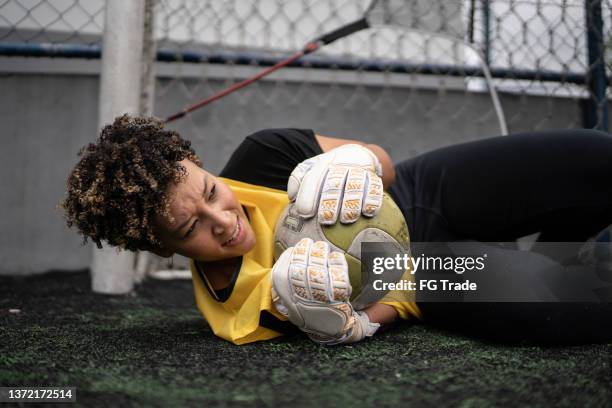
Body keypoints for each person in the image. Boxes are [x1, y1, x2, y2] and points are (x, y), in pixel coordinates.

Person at [61, 114, 612, 346]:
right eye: (191, 229)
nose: (224, 221)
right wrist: (362, 324)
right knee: (571, 298)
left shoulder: (264, 153)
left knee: (594, 157)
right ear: (159, 246)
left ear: (199, 164)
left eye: (210, 192)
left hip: (419, 194)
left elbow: (388, 163)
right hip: (414, 276)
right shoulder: (240, 308)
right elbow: (377, 301)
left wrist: (353, 160)